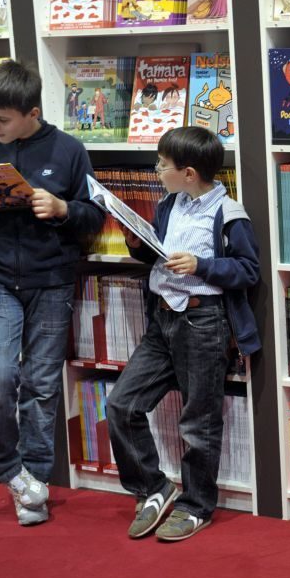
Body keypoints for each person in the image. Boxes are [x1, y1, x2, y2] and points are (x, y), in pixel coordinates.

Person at [0, 60, 105, 525]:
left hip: (50, 280)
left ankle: (31, 485)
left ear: (32, 112)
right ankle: (4, 467)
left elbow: (94, 218)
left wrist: (61, 208)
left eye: (2, 120)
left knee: (40, 386)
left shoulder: (70, 150)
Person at [105, 126, 260, 542]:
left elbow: (248, 270)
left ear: (189, 172)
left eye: (162, 164)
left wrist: (201, 265)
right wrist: (137, 242)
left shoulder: (229, 214)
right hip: (162, 320)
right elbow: (156, 254)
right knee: (121, 404)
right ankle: (152, 486)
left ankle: (196, 505)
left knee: (199, 422)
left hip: (203, 322)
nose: (157, 170)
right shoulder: (170, 204)